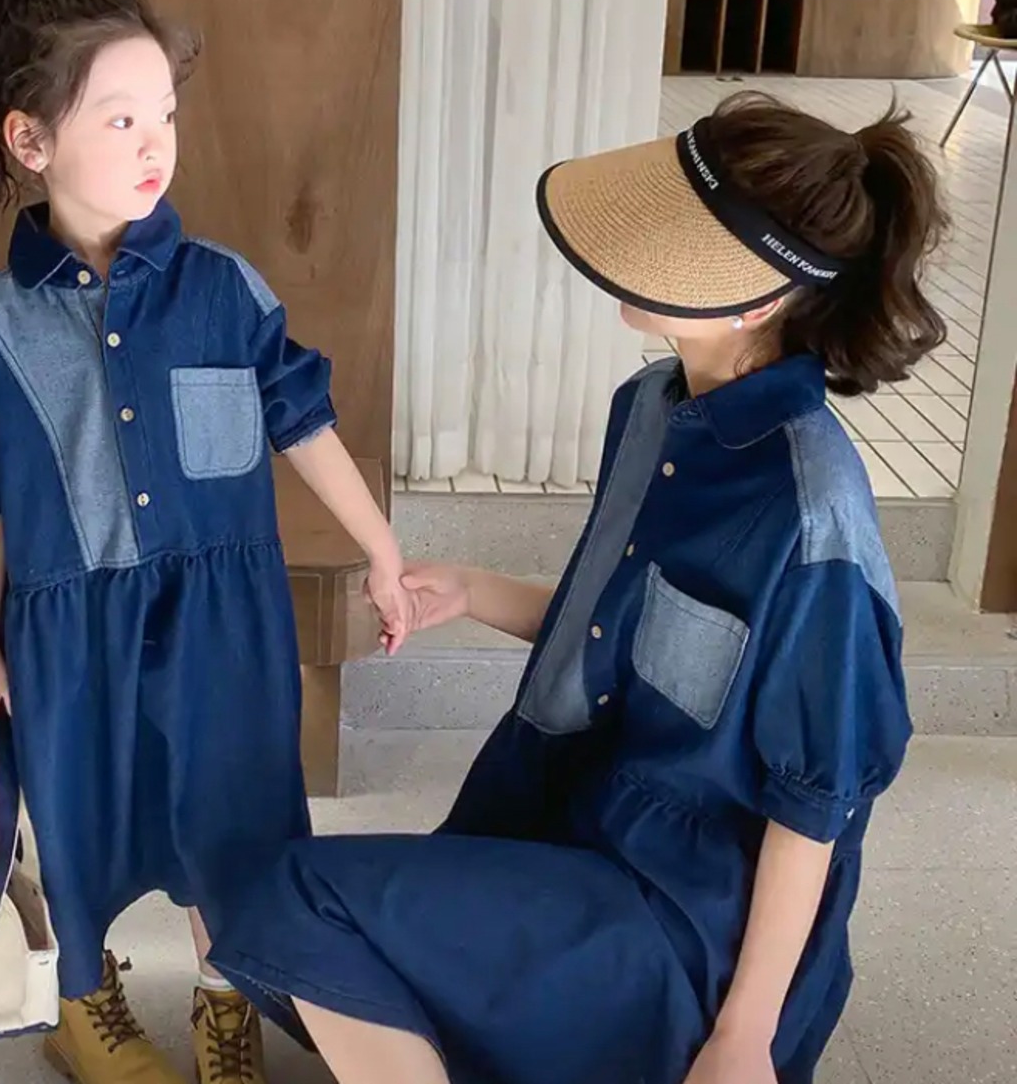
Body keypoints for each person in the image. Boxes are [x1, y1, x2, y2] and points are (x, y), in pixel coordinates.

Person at [207, 91, 948, 1084]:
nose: (635, 246)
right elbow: (629, 634)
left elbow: (814, 806)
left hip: (685, 921)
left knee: (301, 902)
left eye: (672, 238)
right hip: (571, 829)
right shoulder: (650, 408)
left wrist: (741, 1039)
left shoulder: (815, 521)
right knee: (271, 909)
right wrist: (472, 590)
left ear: (757, 299)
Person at [0, 0, 409, 1084]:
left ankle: (229, 997)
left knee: (234, 817)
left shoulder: (227, 290)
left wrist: (382, 552)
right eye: (121, 120)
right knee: (77, 819)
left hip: (223, 623)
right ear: (31, 142)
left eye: (166, 117)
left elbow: (302, 422)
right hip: (67, 632)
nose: (155, 145)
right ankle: (79, 1002)